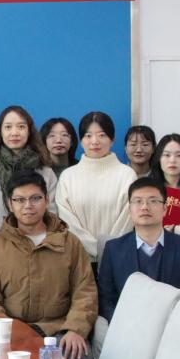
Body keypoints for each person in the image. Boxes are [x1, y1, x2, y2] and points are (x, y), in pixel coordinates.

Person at [0, 170, 98, 359]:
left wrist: (75, 329)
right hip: (13, 331)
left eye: (35, 198)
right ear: (9, 204)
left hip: (58, 330)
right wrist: (8, 332)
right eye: (20, 200)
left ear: (46, 200)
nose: (28, 205)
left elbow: (85, 291)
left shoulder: (69, 243)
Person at [97, 177, 180, 320]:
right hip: (128, 326)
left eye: (153, 201)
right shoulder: (113, 249)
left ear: (165, 209)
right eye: (138, 201)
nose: (145, 207)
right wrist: (124, 324)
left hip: (175, 326)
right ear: (130, 210)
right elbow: (106, 299)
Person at [54, 111, 137, 263]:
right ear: (80, 140)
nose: (95, 141)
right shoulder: (68, 177)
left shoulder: (127, 175)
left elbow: (127, 219)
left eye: (102, 135)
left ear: (112, 139)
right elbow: (67, 220)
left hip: (118, 258)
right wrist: (95, 249)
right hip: (78, 259)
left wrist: (109, 250)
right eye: (88, 136)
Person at [0, 105, 58, 243]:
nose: (14, 133)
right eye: (8, 127)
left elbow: (52, 214)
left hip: (40, 246)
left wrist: (40, 243)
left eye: (21, 127)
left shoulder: (45, 172)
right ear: (0, 132)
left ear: (29, 131)